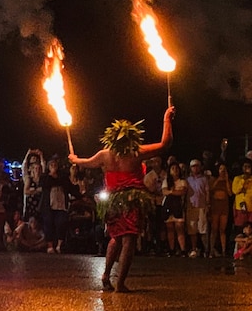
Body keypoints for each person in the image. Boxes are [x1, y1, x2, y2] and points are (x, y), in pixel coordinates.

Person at [68, 106, 174, 292]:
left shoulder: (104, 155)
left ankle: (106, 275)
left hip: (113, 202)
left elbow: (83, 162)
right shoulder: (136, 152)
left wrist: (74, 159)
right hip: (131, 201)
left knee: (116, 238)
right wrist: (167, 119)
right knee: (129, 240)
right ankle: (120, 283)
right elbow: (165, 144)